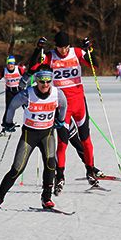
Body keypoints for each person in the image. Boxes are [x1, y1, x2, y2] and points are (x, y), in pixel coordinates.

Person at [25, 32, 103, 194]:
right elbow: (32, 68)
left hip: (79, 102)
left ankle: (90, 171)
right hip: (61, 104)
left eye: (66, 46)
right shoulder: (50, 56)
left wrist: (90, 50)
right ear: (56, 46)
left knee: (86, 140)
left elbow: (94, 66)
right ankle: (60, 176)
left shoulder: (77, 52)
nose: (63, 50)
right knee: (62, 142)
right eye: (60, 47)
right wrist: (37, 49)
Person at [0, 67, 67, 211]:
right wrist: (8, 123)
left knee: (50, 165)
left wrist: (60, 121)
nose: (45, 84)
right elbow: (12, 106)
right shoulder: (27, 94)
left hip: (47, 134)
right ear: (37, 81)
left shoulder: (57, 94)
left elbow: (64, 105)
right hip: (29, 135)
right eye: (42, 81)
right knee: (17, 169)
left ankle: (46, 198)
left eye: (48, 81)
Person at [0, 56, 25, 135]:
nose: (10, 65)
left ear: (14, 64)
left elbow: (28, 78)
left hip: (20, 91)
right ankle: (5, 127)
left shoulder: (19, 69)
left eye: (12, 64)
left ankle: (32, 126)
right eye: (8, 64)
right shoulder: (4, 71)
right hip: (10, 92)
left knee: (27, 108)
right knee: (8, 109)